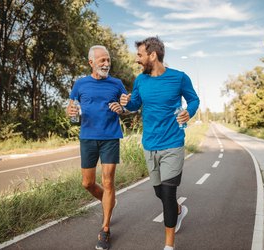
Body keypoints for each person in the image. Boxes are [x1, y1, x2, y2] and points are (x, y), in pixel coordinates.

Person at [120, 37, 199, 250]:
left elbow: (194, 100)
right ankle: (179, 211)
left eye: (140, 55)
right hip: (149, 144)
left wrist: (188, 112)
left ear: (152, 55)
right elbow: (135, 104)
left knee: (168, 193)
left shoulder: (179, 78)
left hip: (173, 143)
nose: (137, 59)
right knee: (159, 192)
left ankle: (169, 245)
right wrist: (127, 102)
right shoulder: (140, 80)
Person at [67, 45, 126, 250]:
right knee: (87, 183)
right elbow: (72, 111)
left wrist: (123, 108)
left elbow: (126, 106)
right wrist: (71, 113)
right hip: (88, 138)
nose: (106, 64)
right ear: (91, 62)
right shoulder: (80, 84)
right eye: (102, 60)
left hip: (110, 137)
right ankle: (108, 201)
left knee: (108, 180)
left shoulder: (117, 84)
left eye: (108, 60)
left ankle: (105, 229)